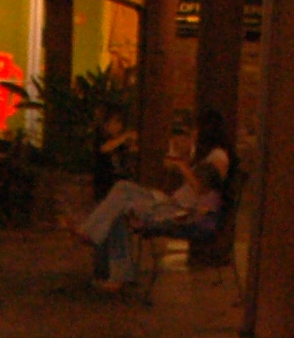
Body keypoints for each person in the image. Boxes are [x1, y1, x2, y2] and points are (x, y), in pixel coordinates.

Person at [78, 157, 223, 291]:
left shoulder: (210, 195)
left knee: (120, 208)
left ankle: (92, 234)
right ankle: (94, 235)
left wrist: (184, 172)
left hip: (169, 211)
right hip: (163, 203)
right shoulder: (194, 190)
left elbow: (196, 214)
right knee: (122, 188)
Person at [89, 106, 137, 201]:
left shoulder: (117, 142)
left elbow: (130, 150)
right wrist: (125, 136)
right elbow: (105, 148)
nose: (119, 127)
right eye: (116, 123)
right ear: (106, 125)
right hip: (105, 188)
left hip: (117, 185)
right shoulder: (100, 138)